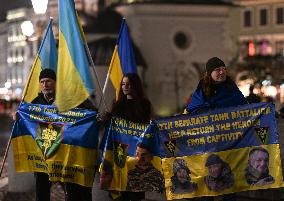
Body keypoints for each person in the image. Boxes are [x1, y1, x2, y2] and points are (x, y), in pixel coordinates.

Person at [184, 57, 247, 201]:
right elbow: (193, 110)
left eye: (223, 69)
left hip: (229, 144)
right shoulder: (202, 91)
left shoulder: (232, 89)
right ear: (209, 73)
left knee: (229, 185)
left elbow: (245, 108)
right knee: (207, 187)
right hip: (209, 145)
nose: (221, 72)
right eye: (217, 70)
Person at [31, 69, 96, 201]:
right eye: (42, 82)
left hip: (66, 152)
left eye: (48, 81)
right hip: (45, 151)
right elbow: (27, 118)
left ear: (56, 83)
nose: (45, 84)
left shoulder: (67, 99)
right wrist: (18, 116)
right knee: (41, 188)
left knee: (71, 187)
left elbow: (90, 113)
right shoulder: (36, 102)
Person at [101, 73, 152, 201]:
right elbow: (112, 129)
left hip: (136, 156)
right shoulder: (118, 105)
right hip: (120, 155)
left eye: (128, 84)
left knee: (136, 193)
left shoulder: (144, 105)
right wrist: (107, 118)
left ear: (136, 86)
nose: (125, 87)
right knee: (119, 194)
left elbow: (147, 127)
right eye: (123, 84)